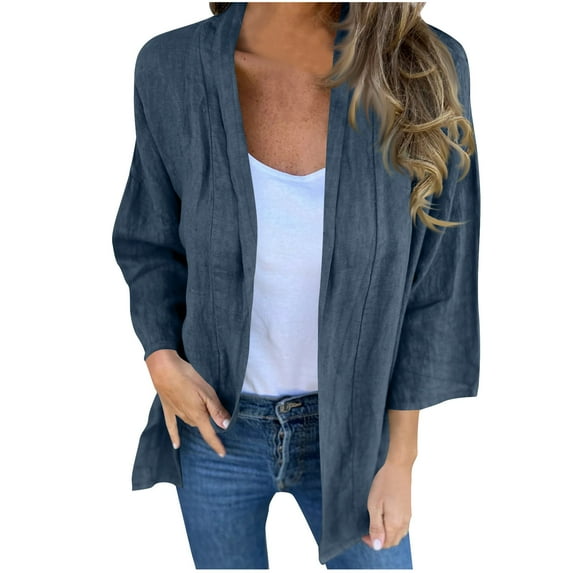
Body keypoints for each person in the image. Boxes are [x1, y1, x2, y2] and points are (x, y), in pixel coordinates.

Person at [111, 2, 480, 569]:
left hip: (357, 433)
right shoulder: (172, 67)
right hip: (215, 426)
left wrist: (400, 459)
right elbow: (149, 238)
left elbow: (437, 282)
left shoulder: (423, 65)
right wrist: (161, 359)